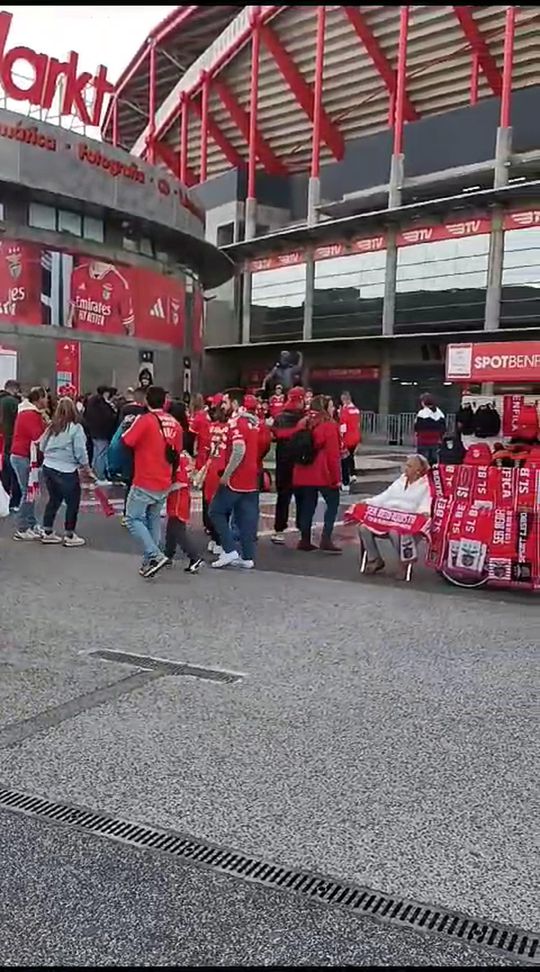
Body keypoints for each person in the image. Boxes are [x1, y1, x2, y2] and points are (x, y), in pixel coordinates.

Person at [122, 385, 182, 578]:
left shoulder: (145, 420)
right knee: (154, 519)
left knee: (132, 518)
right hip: (165, 477)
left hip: (145, 477)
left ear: (147, 400)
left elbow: (127, 441)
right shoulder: (174, 422)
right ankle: (150, 559)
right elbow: (178, 450)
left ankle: (155, 555)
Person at [209, 391, 260, 569]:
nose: (222, 406)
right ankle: (247, 556)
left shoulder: (236, 423)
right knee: (246, 518)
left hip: (236, 479)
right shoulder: (252, 423)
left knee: (215, 511)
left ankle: (229, 550)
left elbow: (239, 450)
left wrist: (227, 474)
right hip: (251, 478)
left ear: (235, 403)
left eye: (225, 402)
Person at [358, 454, 432, 577]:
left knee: (395, 532)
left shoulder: (426, 485)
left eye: (409, 466)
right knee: (364, 528)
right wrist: (368, 501)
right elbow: (385, 496)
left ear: (418, 470)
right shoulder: (401, 480)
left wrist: (424, 512)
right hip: (389, 517)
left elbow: (426, 503)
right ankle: (374, 559)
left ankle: (404, 562)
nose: (405, 468)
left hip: (408, 522)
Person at [39, 397, 96, 546]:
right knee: (72, 503)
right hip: (66, 469)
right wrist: (86, 468)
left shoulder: (52, 426)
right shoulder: (76, 428)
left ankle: (47, 531)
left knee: (54, 499)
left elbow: (41, 446)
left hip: (48, 467)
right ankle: (69, 535)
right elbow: (80, 451)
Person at [293, 394, 342, 553]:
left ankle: (305, 539)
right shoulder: (329, 425)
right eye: (332, 405)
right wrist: (337, 479)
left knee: (308, 505)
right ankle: (326, 538)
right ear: (325, 407)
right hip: (322, 471)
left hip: (303, 469)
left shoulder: (303, 422)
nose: (334, 408)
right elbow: (333, 455)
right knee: (333, 503)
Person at [10, 386, 49, 540]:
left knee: (31, 492)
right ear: (38, 399)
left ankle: (31, 523)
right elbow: (38, 436)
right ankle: (21, 527)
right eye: (45, 397)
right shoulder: (30, 415)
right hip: (22, 456)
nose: (47, 400)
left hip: (24, 456)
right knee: (27, 492)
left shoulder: (31, 413)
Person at [271, 386, 305, 544]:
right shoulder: (304, 418)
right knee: (301, 496)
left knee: (283, 497)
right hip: (300, 461)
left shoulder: (280, 417)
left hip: (283, 461)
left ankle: (279, 529)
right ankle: (302, 528)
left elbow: (276, 435)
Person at [163, 450, 203, 573]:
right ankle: (167, 555)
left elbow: (181, 482)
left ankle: (194, 557)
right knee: (171, 528)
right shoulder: (183, 456)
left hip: (178, 498)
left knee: (177, 529)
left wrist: (165, 490)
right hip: (179, 498)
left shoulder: (178, 459)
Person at [84, 385, 118, 480]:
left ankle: (94, 473)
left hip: (93, 431)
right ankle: (100, 476)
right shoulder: (102, 404)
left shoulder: (92, 402)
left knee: (97, 453)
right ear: (105, 393)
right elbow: (108, 417)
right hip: (102, 432)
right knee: (101, 454)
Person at [0, 379, 22, 511]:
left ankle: (5, 498)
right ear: (14, 389)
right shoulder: (13, 402)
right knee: (15, 473)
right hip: (11, 441)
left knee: (4, 473)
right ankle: (14, 502)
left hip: (2, 441)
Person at [339, 391, 361, 492]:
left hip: (347, 437)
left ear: (345, 400)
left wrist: (341, 437)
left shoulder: (345, 411)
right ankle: (353, 474)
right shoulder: (356, 410)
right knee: (351, 456)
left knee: (344, 459)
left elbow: (343, 426)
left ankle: (345, 482)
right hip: (355, 436)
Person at [414, 394, 446, 466]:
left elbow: (418, 427)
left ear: (424, 402)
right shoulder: (439, 413)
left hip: (423, 439)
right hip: (435, 439)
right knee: (433, 460)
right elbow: (443, 428)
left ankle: (424, 475)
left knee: (423, 460)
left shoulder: (422, 413)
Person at [189, 393, 211, 471]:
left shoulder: (198, 416)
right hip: (207, 446)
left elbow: (191, 435)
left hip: (201, 447)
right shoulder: (205, 414)